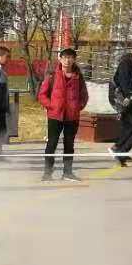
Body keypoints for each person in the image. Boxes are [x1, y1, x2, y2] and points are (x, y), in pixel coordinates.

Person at [39, 48, 88, 181]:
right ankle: (47, 173)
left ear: (74, 59)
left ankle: (67, 172)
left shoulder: (78, 76)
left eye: (70, 57)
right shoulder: (52, 75)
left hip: (72, 117)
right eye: (65, 57)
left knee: (69, 145)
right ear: (60, 59)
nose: (67, 60)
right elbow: (42, 95)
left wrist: (78, 107)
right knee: (52, 144)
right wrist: (51, 106)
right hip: (55, 116)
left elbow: (84, 95)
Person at [108, 42, 132, 166]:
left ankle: (121, 150)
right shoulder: (126, 62)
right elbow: (124, 82)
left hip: (130, 97)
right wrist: (129, 97)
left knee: (130, 125)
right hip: (121, 97)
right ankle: (117, 148)